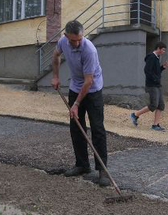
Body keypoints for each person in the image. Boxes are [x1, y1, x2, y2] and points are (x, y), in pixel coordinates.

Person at [51, 20, 110, 186]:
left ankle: (102, 170)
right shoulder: (63, 42)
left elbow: (88, 82)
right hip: (75, 87)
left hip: (92, 90)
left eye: (79, 39)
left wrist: (76, 104)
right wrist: (55, 76)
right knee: (76, 127)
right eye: (73, 40)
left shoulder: (89, 49)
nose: (76, 43)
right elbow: (55, 55)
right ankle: (82, 165)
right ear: (66, 36)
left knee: (97, 128)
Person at [130, 42, 168, 131]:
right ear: (158, 48)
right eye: (163, 50)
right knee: (154, 105)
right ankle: (135, 115)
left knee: (161, 105)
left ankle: (155, 125)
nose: (163, 52)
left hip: (157, 85)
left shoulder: (156, 58)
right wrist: (155, 79)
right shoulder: (151, 57)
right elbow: (147, 70)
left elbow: (156, 71)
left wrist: (162, 67)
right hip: (152, 85)